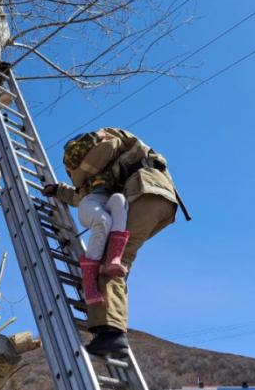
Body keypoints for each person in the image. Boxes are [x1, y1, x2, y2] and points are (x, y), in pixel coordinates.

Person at [43, 128, 186, 358]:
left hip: (143, 192)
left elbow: (87, 192)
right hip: (162, 201)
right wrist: (60, 190)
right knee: (119, 259)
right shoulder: (123, 151)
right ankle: (108, 323)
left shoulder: (109, 149)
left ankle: (111, 334)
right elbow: (88, 193)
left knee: (111, 263)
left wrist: (65, 186)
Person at [42, 132, 131, 305]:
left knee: (120, 200)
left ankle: (114, 258)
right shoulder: (83, 180)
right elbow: (74, 195)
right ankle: (89, 282)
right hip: (90, 203)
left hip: (108, 200)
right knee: (103, 221)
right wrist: (57, 190)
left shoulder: (111, 172)